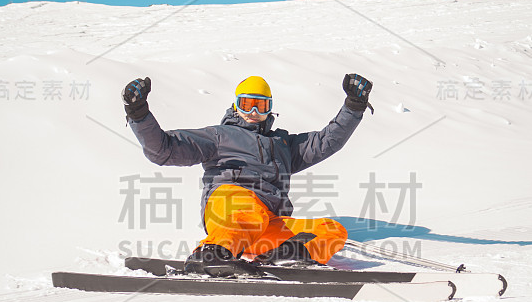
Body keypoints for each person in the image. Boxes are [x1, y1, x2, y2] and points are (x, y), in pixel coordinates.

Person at [122, 73, 373, 277]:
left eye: (261, 105)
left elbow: (325, 142)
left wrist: (353, 107)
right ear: (236, 105)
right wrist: (138, 113)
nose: (254, 111)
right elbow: (164, 150)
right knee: (247, 213)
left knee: (332, 231)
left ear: (270, 109)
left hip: (266, 221)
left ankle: (286, 255)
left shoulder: (282, 144)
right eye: (247, 103)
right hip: (229, 205)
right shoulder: (219, 136)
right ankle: (209, 255)